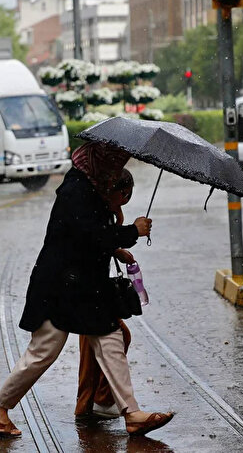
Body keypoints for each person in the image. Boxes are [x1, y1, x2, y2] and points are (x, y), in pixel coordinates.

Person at [0, 142, 174, 438]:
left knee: (110, 339)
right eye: (112, 165)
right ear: (99, 162)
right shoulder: (77, 191)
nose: (114, 172)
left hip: (85, 288)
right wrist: (132, 231)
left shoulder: (91, 188)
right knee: (44, 350)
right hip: (59, 288)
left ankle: (132, 413)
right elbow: (90, 236)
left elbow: (85, 238)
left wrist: (117, 248)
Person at [76, 168, 135, 419]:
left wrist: (117, 251)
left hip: (93, 288)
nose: (125, 200)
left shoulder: (109, 211)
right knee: (111, 339)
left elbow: (102, 241)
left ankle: (92, 402)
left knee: (93, 347)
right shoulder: (95, 209)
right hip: (85, 288)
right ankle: (96, 401)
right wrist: (133, 231)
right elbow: (93, 241)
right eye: (124, 195)